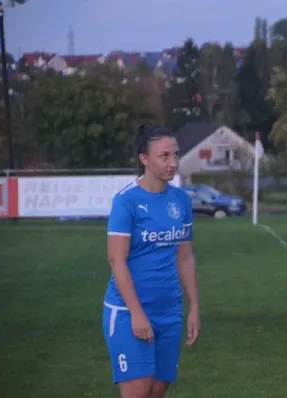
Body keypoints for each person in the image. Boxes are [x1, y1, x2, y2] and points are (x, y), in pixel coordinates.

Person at [103, 122, 200, 398]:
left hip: (169, 311)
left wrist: (193, 306)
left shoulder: (180, 200)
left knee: (156, 392)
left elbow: (185, 257)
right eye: (164, 156)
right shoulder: (126, 201)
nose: (173, 163)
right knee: (138, 390)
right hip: (128, 311)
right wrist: (136, 313)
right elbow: (116, 260)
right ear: (144, 159)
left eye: (176, 155)